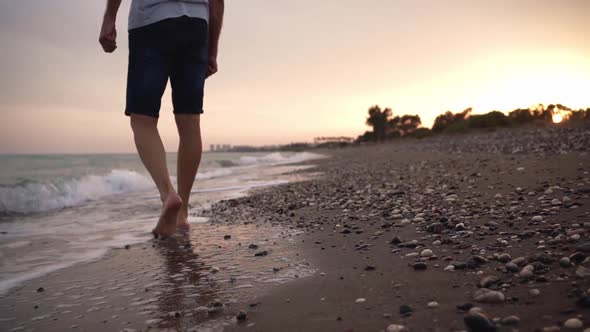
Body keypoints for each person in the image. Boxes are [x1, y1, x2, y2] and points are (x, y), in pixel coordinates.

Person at [99, 0, 224, 238]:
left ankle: (168, 195)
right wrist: (212, 49)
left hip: (150, 21)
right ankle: (182, 213)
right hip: (196, 26)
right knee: (190, 123)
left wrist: (109, 18)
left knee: (142, 119)